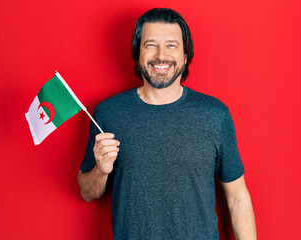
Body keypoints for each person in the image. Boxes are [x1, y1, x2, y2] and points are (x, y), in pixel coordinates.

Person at [78, 8, 257, 240]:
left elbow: (238, 198)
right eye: (150, 44)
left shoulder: (215, 115)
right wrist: (101, 170)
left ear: (185, 56)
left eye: (172, 45)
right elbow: (87, 192)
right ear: (137, 53)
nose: (161, 55)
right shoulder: (108, 113)